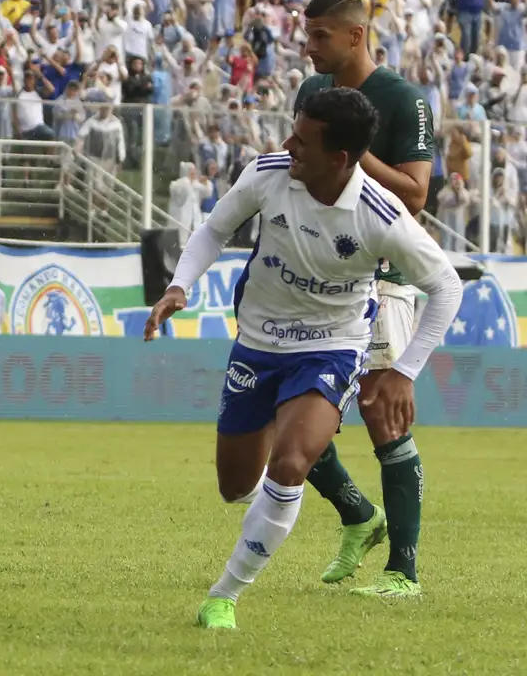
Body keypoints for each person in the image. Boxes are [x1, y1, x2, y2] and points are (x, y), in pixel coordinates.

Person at [144, 88, 461, 630]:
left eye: (302, 139)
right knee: (235, 485)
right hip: (258, 343)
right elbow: (216, 229)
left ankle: (224, 596)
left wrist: (404, 371)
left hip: (331, 347)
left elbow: (447, 286)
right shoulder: (268, 174)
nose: (287, 144)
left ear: (339, 158)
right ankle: (355, 513)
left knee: (291, 462)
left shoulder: (379, 214)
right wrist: (179, 286)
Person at [293, 0, 438, 597]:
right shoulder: (309, 94)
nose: (308, 48)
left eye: (320, 35)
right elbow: (302, 165)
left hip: (382, 272)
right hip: (317, 267)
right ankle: (359, 516)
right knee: (292, 415)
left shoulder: (405, 100)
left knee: (382, 411)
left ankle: (403, 572)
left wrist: (353, 153)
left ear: (356, 35)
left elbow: (416, 193)